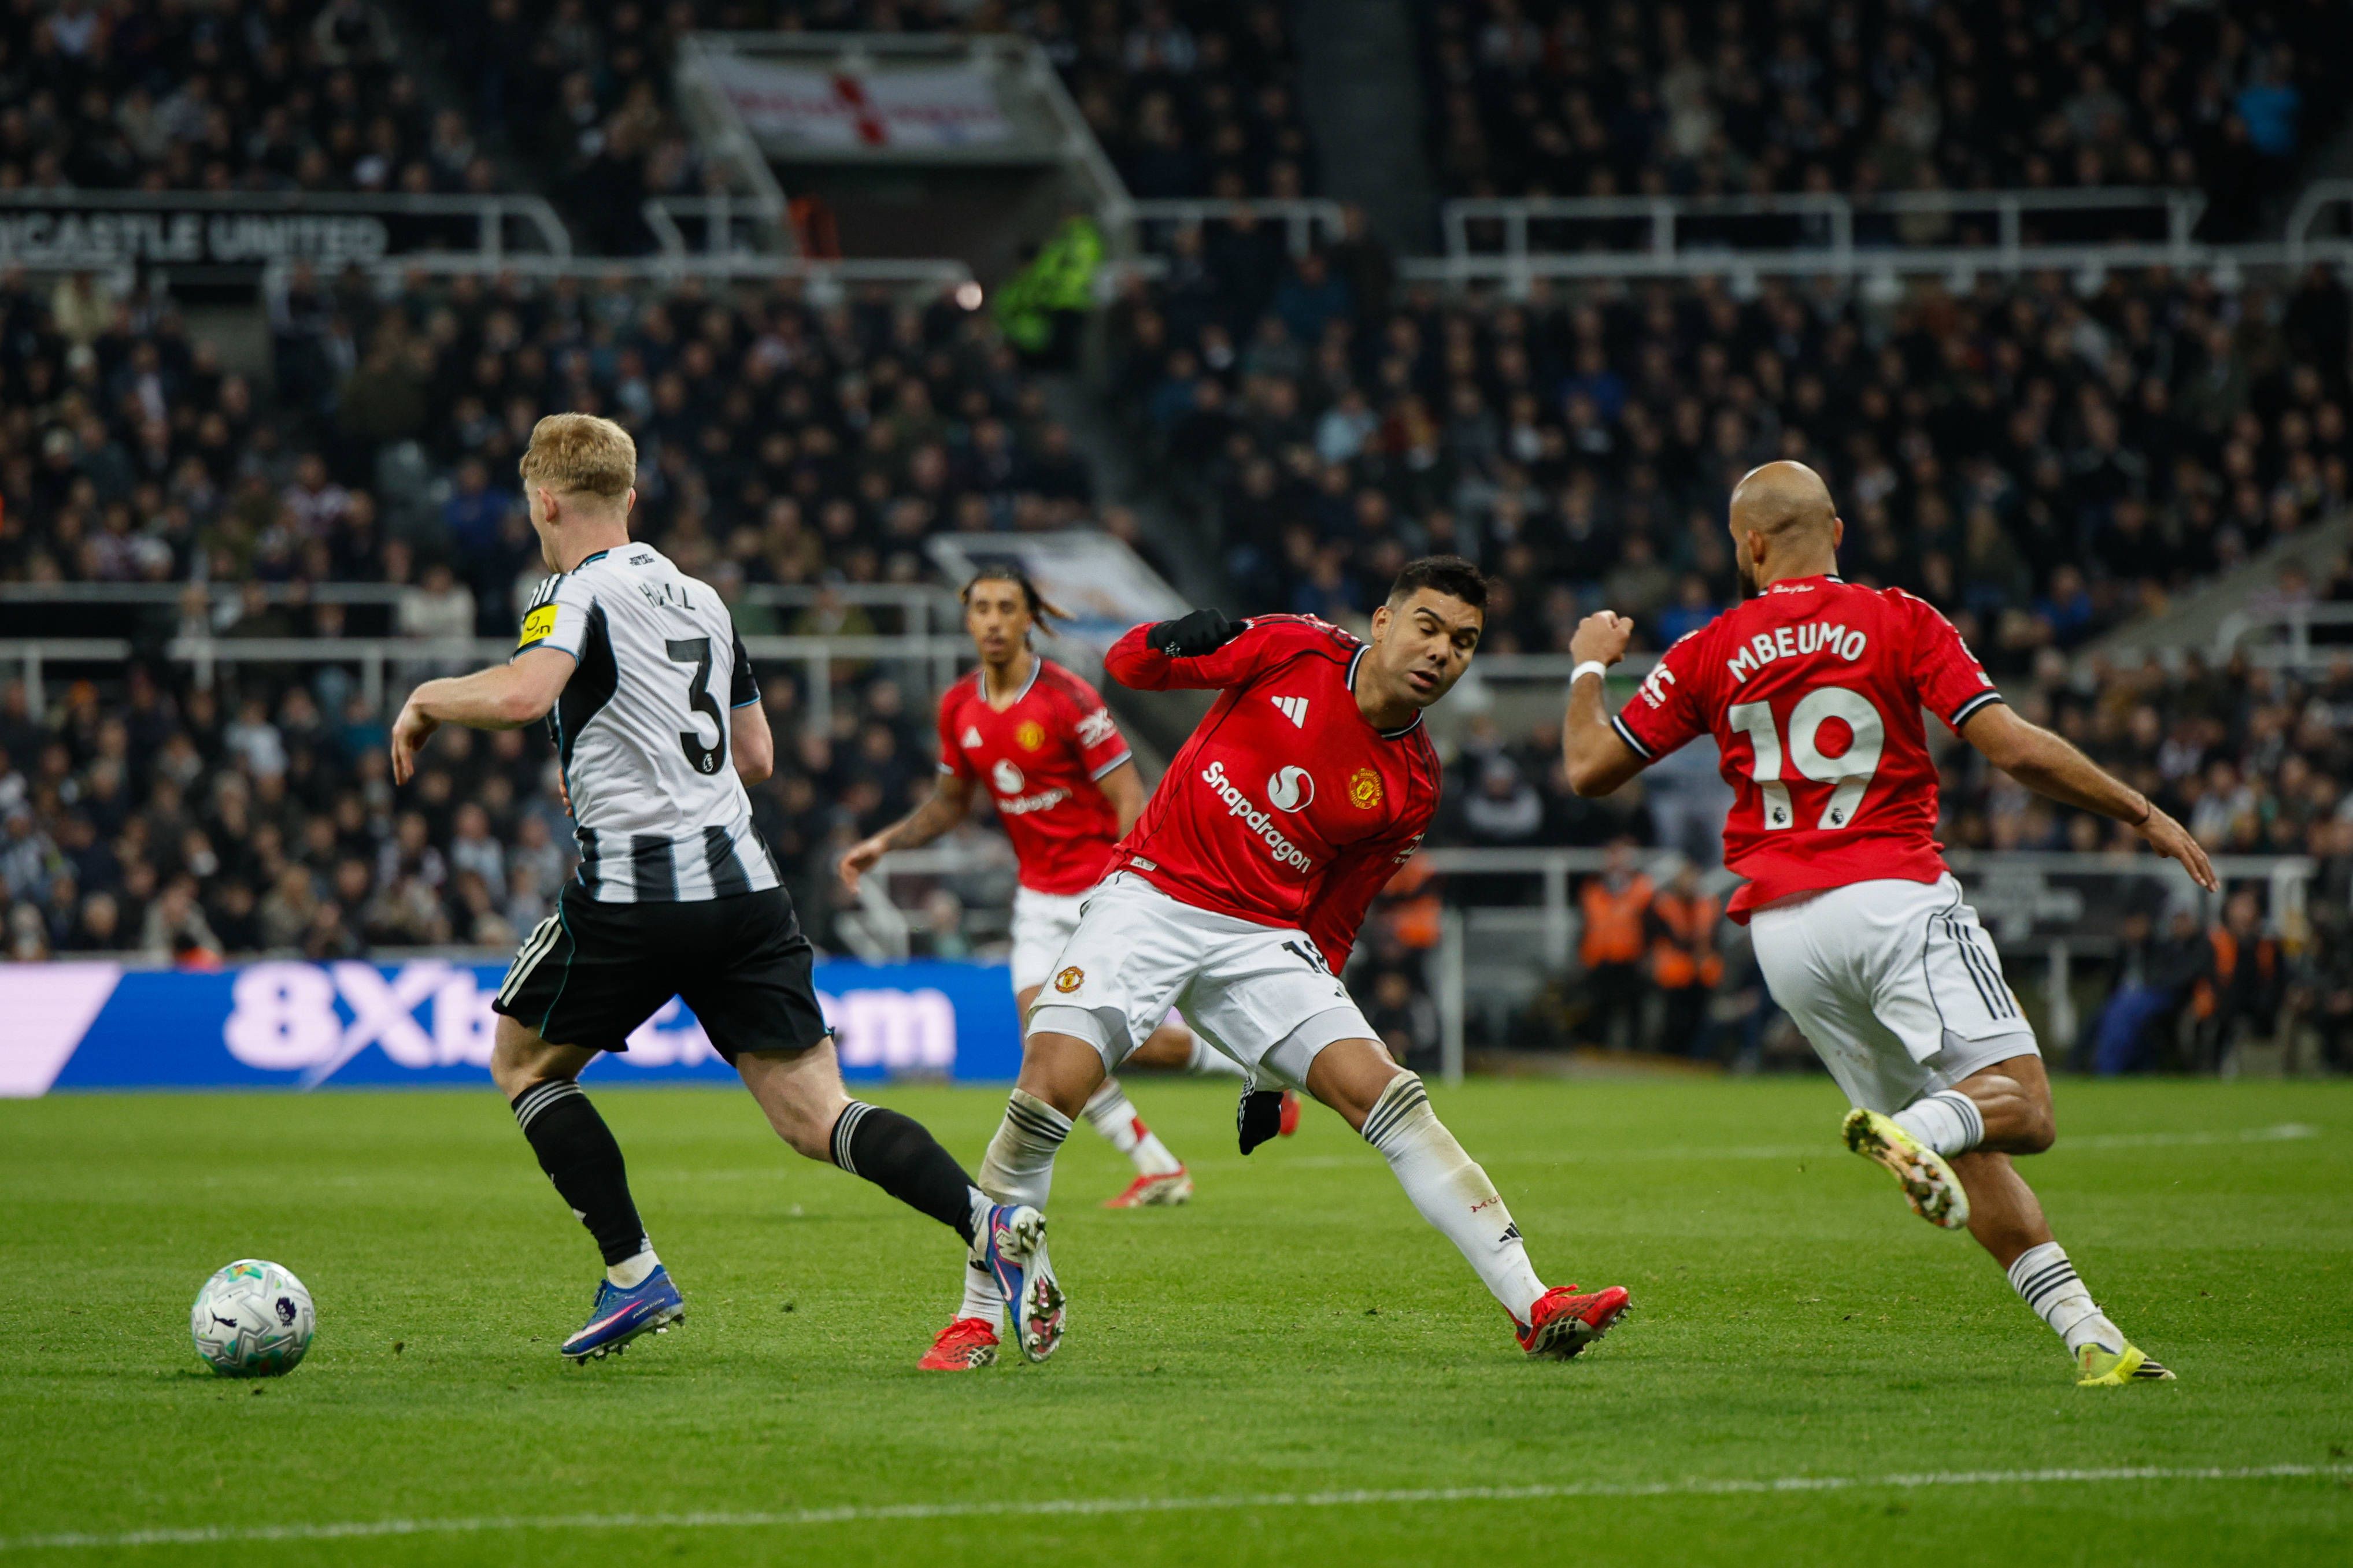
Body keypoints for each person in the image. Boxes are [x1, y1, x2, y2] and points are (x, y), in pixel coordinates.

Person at [389, 413, 1042, 1365]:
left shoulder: (570, 592)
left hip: (639, 895)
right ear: (632, 496)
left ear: (544, 501)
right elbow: (756, 756)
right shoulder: (701, 596)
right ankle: (982, 1219)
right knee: (817, 1115)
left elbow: (527, 692)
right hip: (746, 892)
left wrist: (427, 698)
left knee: (526, 1066)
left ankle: (632, 1273)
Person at [1559, 460, 2217, 1387]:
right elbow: (2015, 751)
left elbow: (1588, 767)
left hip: (1785, 938)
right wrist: (2141, 812)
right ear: (1835, 531)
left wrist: (1589, 661)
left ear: (1748, 545)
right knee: (2019, 1108)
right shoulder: (1898, 619)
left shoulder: (1707, 649)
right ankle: (1914, 1129)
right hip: (1892, 898)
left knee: (1965, 1134)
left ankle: (2090, 1336)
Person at [955, 557, 1633, 1367]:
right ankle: (975, 1317)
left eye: (1463, 642)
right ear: (1383, 624)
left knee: (1392, 1096)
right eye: (1427, 626)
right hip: (1151, 895)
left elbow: (1333, 924)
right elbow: (1127, 665)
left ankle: (1534, 1301)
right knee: (1044, 1092)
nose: (1441, 652)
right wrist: (1167, 637)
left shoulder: (1412, 784)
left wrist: (1271, 1073)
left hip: (1262, 938)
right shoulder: (1291, 647)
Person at [838, 567, 1292, 1371]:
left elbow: (1128, 793)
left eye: (1006, 608)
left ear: (1027, 619)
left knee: (1099, 1055)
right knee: (1041, 1059)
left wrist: (1123, 883)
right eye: (979, 607)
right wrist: (884, 843)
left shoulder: (1069, 700)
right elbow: (951, 803)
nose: (992, 621)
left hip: (1099, 887)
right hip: (1035, 899)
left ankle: (1236, 1077)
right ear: (965, 617)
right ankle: (1175, 1143)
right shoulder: (960, 708)